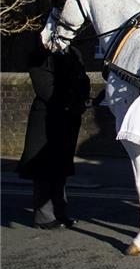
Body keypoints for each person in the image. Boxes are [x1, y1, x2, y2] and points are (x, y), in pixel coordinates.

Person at [18, 44, 91, 229]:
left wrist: (82, 99)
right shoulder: (39, 55)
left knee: (61, 168)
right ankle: (44, 217)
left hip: (68, 117)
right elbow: (45, 89)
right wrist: (70, 102)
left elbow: (83, 79)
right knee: (43, 167)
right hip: (46, 117)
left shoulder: (74, 52)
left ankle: (59, 212)